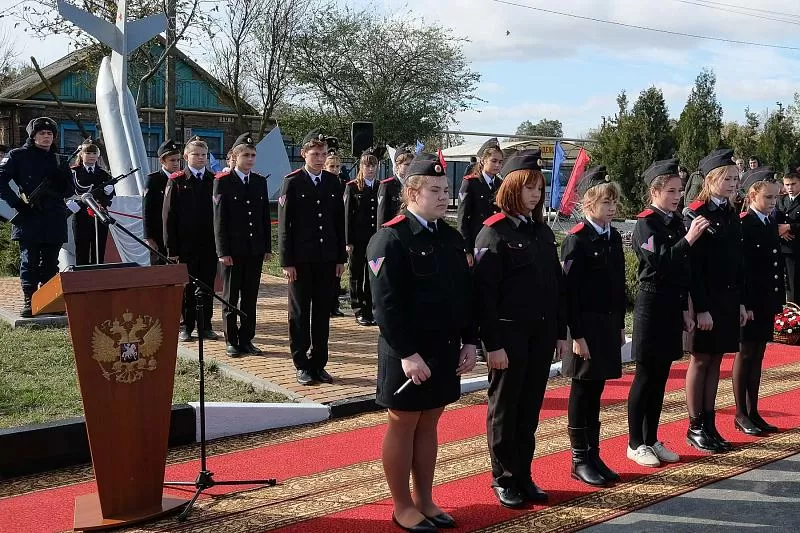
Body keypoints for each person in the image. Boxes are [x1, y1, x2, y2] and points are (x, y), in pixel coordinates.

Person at [367, 153, 477, 532]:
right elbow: (386, 306)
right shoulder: (390, 238)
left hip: (443, 347)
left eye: (446, 189)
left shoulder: (450, 237)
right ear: (412, 192)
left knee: (430, 421)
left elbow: (463, 296)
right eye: (435, 190)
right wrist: (407, 354)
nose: (444, 196)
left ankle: (425, 500)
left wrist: (469, 341)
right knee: (403, 421)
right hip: (407, 352)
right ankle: (402, 505)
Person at [472, 149, 569, 508]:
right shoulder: (493, 234)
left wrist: (560, 331)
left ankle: (524, 473)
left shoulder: (541, 231)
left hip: (540, 335)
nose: (535, 194)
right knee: (505, 409)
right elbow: (484, 297)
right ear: (512, 188)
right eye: (528, 187)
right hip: (509, 336)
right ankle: (504, 477)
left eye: (539, 188)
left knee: (529, 409)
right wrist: (491, 344)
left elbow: (555, 287)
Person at [627, 158, 709, 467]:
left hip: (670, 303)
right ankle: (635, 442)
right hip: (651, 304)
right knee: (646, 375)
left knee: (661, 377)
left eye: (679, 191)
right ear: (655, 191)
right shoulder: (646, 222)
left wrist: (684, 308)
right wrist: (688, 239)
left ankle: (651, 438)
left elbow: (683, 270)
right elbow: (659, 263)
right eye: (671, 191)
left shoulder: (674, 221)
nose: (677, 197)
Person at [560, 166, 626, 486]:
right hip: (584, 329)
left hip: (607, 326)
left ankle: (594, 453)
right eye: (605, 202)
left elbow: (617, 287)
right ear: (588, 205)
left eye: (614, 202)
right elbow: (570, 293)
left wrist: (619, 327)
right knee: (582, 389)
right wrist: (577, 334)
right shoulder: (577, 240)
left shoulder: (613, 236)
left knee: (597, 389)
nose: (612, 207)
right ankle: (578, 458)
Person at [684, 148, 748, 454]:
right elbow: (694, 267)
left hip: (727, 299)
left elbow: (736, 263)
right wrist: (703, 308)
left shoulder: (730, 212)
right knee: (701, 360)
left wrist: (739, 302)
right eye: (728, 178)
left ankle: (709, 424)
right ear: (712, 179)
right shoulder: (697, 212)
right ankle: (695, 426)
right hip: (705, 300)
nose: (735, 183)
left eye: (736, 178)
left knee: (717, 361)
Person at [278, 128, 346, 386]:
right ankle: (301, 364)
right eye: (315, 153)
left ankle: (319, 363)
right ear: (303, 154)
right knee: (299, 313)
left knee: (321, 313)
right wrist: (287, 262)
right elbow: (285, 226)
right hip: (301, 260)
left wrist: (340, 258)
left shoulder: (332, 182)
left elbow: (338, 223)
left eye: (323, 154)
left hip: (327, 259)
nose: (319, 158)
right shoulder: (293, 182)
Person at [0, 117, 75, 317]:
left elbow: (70, 190)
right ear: (33, 136)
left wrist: (61, 181)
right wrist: (16, 204)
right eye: (42, 133)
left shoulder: (58, 159)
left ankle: (49, 300)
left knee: (51, 262)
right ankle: (29, 299)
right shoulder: (18, 155)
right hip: (29, 215)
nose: (46, 137)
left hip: (54, 216)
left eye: (50, 134)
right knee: (29, 261)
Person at [213, 133, 271, 357]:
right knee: (231, 296)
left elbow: (264, 216)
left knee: (250, 296)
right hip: (233, 251)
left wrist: (266, 246)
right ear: (234, 157)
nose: (250, 159)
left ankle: (247, 338)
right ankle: (231, 339)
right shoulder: (223, 181)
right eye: (246, 155)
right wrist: (223, 251)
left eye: (253, 155)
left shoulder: (259, 181)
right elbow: (219, 220)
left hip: (254, 249)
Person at [735, 167, 783, 435]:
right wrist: (745, 304)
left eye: (775, 198)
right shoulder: (745, 223)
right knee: (745, 356)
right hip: (750, 303)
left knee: (758, 357)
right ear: (753, 195)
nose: (773, 202)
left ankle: (754, 411)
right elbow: (742, 270)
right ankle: (741, 413)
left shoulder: (768, 222)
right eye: (768, 197)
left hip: (765, 300)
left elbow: (772, 266)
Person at [163, 136, 219, 342]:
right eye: (196, 154)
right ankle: (187, 326)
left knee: (207, 285)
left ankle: (206, 325)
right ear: (186, 156)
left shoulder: (215, 180)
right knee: (187, 286)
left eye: (204, 155)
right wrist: (172, 250)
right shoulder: (176, 181)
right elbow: (168, 218)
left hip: (209, 244)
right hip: (185, 245)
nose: (201, 158)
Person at [344, 151, 379, 326]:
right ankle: (358, 309)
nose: (370, 169)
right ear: (361, 167)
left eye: (373, 165)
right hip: (357, 240)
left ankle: (370, 308)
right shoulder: (352, 187)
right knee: (356, 274)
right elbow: (347, 216)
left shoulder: (380, 186)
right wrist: (348, 241)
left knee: (372, 274)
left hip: (374, 239)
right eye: (367, 165)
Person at [457, 137, 503, 267]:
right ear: (483, 161)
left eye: (500, 162)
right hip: (477, 241)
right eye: (494, 161)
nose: (497, 165)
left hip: (496, 241)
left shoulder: (501, 184)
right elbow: (462, 219)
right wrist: (466, 250)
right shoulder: (470, 183)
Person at [70, 139, 114, 265]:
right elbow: (68, 191)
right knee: (82, 249)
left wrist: (108, 192)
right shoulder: (75, 172)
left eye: (94, 153)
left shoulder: (104, 174)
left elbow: (110, 197)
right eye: (88, 153)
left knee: (99, 249)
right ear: (81, 155)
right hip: (80, 215)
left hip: (99, 215)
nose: (91, 156)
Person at [143, 139, 181, 264]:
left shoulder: (181, 179)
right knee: (159, 271)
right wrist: (148, 236)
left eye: (178, 160)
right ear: (162, 161)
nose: (176, 164)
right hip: (158, 234)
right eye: (172, 160)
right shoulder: (154, 180)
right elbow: (147, 209)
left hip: (176, 234)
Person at [325, 153, 346, 318]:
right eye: (331, 166)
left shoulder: (343, 184)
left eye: (337, 166)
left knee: (336, 275)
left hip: (337, 235)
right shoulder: (324, 183)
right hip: (325, 234)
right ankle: (326, 305)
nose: (335, 170)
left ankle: (334, 305)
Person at [776, 169, 800, 302]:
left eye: (793, 184)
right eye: (787, 184)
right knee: (784, 282)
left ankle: (795, 314)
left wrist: (790, 227)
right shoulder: (781, 200)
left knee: (795, 282)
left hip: (796, 248)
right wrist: (781, 230)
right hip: (782, 246)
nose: (790, 188)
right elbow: (774, 218)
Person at [377, 147, 414, 226]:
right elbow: (381, 216)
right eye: (406, 164)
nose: (410, 167)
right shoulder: (387, 185)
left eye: (411, 164)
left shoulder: (414, 185)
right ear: (398, 166)